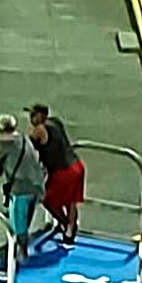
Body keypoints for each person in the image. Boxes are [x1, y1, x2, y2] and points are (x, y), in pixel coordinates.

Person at [0, 113, 45, 262]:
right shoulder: (24, 138)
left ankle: (20, 254)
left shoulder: (4, 144)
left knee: (18, 224)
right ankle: (22, 249)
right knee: (26, 220)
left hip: (20, 188)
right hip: (36, 185)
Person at [27, 103, 85, 245]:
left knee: (47, 199)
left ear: (41, 116)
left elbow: (28, 147)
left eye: (33, 115)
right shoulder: (56, 122)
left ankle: (66, 224)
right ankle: (71, 228)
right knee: (71, 201)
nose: (31, 118)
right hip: (76, 165)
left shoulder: (39, 130)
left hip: (63, 170)